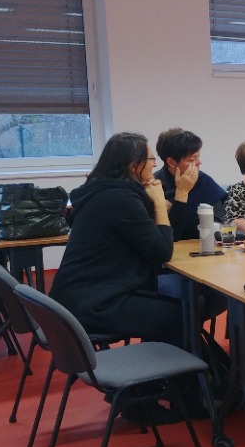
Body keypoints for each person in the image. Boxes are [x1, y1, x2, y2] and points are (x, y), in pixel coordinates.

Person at [49, 132, 182, 346]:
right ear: (134, 165)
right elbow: (162, 251)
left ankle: (162, 363)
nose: (154, 165)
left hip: (74, 297)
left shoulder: (101, 191)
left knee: (174, 305)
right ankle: (170, 367)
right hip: (94, 304)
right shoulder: (121, 199)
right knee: (182, 314)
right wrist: (158, 202)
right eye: (150, 159)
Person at [153, 128, 226, 241]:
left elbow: (218, 223)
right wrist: (181, 194)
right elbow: (169, 234)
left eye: (198, 157)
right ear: (171, 162)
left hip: (203, 245)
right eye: (192, 159)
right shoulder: (155, 186)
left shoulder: (204, 181)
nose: (199, 162)